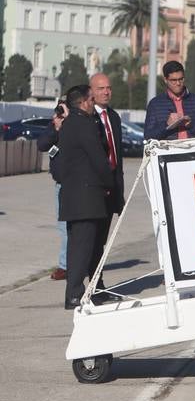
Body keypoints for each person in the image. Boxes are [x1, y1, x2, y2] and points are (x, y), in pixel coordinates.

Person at [57, 85, 115, 309]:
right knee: (83, 248)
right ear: (83, 103)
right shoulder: (85, 124)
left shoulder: (68, 125)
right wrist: (109, 183)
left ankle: (74, 292)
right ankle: (74, 295)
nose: (94, 103)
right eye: (91, 99)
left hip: (73, 195)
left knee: (76, 248)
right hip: (87, 197)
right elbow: (98, 158)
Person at [144, 60, 195, 141]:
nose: (178, 83)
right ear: (165, 80)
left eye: (181, 79)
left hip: (193, 152)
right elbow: (148, 136)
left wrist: (191, 125)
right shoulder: (155, 104)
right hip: (169, 152)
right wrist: (166, 125)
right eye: (173, 80)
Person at [89, 73, 125, 216]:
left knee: (104, 235)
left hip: (113, 186)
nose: (106, 92)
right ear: (91, 91)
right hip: (95, 187)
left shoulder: (114, 117)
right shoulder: (87, 116)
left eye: (109, 88)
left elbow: (118, 156)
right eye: (101, 88)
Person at [41, 101, 69, 281]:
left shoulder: (77, 125)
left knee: (73, 227)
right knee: (63, 227)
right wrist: (56, 128)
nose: (59, 113)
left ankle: (67, 265)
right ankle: (65, 265)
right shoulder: (54, 125)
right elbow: (42, 144)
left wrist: (67, 126)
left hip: (75, 184)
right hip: (60, 184)